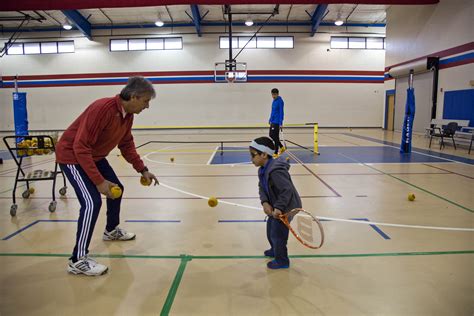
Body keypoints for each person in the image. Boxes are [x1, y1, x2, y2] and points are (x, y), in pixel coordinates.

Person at [55, 76, 159, 276]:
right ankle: (77, 260)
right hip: (72, 157)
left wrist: (143, 169)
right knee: (92, 203)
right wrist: (99, 181)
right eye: (146, 101)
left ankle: (111, 230)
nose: (147, 106)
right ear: (134, 97)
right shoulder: (102, 109)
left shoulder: (127, 115)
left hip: (94, 156)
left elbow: (126, 144)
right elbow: (80, 146)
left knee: (117, 190)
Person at [249, 136, 302, 269]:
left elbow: (286, 190)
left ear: (264, 154)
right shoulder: (262, 169)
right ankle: (274, 249)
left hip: (287, 205)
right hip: (275, 203)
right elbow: (262, 187)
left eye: (253, 155)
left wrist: (278, 207)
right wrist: (265, 202)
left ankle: (282, 260)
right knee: (270, 228)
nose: (251, 159)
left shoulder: (275, 171)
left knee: (278, 233)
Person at [268, 88, 284, 155]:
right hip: (273, 121)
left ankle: (276, 152)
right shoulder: (274, 101)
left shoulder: (280, 101)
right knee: (271, 135)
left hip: (277, 122)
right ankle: (281, 146)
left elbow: (281, 112)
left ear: (277, 94)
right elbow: (272, 111)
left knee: (276, 136)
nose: (273, 96)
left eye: (274, 94)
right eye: (272, 94)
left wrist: (280, 122)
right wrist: (270, 119)